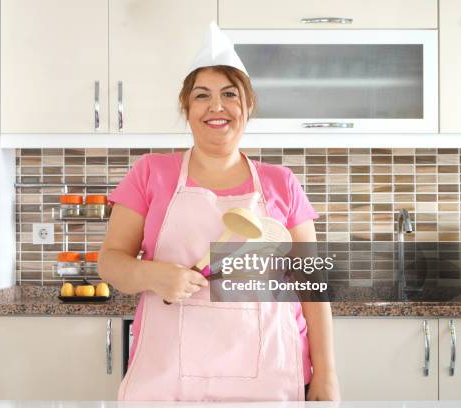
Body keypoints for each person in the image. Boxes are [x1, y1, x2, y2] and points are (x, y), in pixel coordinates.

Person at [98, 22, 340, 401]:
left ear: (248, 106)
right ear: (186, 107)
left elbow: (313, 288)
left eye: (230, 94)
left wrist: (326, 376)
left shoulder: (282, 183)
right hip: (168, 380)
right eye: (202, 95)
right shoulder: (150, 173)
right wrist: (152, 274)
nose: (217, 106)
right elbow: (110, 262)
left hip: (269, 377)